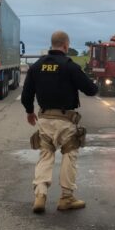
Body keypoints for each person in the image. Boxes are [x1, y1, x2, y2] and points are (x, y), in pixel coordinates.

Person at [21, 31, 98, 214]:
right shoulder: (70, 66)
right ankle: (66, 198)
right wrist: (94, 83)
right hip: (65, 120)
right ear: (65, 46)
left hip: (45, 119)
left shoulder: (37, 66)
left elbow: (26, 95)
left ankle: (40, 194)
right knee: (69, 155)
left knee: (45, 154)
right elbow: (90, 90)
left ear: (52, 44)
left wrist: (30, 112)